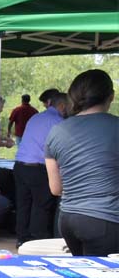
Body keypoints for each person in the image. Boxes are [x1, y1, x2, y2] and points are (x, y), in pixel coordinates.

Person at [45, 69, 119, 255]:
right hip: (107, 218)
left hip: (68, 220)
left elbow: (55, 189)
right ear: (111, 96)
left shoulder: (57, 131)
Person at [12, 91, 68, 245]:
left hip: (20, 165)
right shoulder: (58, 122)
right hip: (38, 167)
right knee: (41, 206)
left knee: (23, 204)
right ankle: (37, 240)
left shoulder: (36, 117)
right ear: (62, 106)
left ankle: (21, 239)